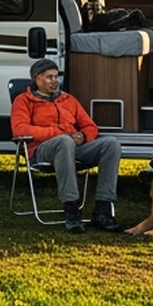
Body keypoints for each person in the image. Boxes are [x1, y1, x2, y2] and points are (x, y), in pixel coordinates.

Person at [11, 57, 122, 232]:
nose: (55, 81)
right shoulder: (23, 101)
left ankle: (104, 209)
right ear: (37, 79)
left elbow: (90, 126)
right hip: (41, 149)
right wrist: (61, 134)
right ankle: (71, 210)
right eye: (49, 77)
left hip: (73, 146)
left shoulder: (68, 99)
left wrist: (83, 136)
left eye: (56, 76)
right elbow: (20, 130)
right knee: (64, 141)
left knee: (111, 144)